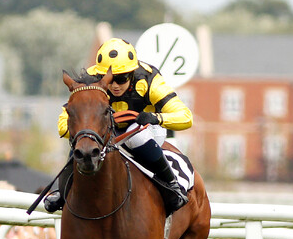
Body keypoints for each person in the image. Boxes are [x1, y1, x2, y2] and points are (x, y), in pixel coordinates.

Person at [45, 38, 194, 215]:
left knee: (136, 136)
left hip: (145, 128)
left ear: (132, 73)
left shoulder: (149, 79)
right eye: (109, 80)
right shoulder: (91, 79)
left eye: (122, 79)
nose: (115, 86)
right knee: (84, 140)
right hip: (108, 130)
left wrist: (155, 117)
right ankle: (63, 193)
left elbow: (186, 117)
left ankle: (171, 184)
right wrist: (82, 130)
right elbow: (63, 124)